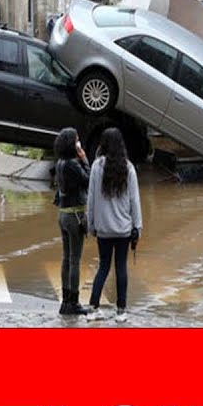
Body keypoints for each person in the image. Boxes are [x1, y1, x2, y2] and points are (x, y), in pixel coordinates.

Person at [85, 127, 143, 322]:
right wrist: (138, 227)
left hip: (103, 229)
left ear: (103, 144)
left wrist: (91, 224)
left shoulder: (96, 167)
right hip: (123, 229)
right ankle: (121, 311)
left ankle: (93, 309)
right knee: (121, 268)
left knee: (103, 267)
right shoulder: (128, 168)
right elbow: (135, 201)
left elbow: (91, 198)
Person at [53, 128, 91, 316]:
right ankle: (74, 302)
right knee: (75, 260)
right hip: (75, 216)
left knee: (66, 258)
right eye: (77, 141)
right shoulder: (73, 165)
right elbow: (89, 181)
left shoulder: (60, 163)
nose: (79, 143)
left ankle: (65, 301)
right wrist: (84, 159)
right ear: (72, 144)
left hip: (63, 215)